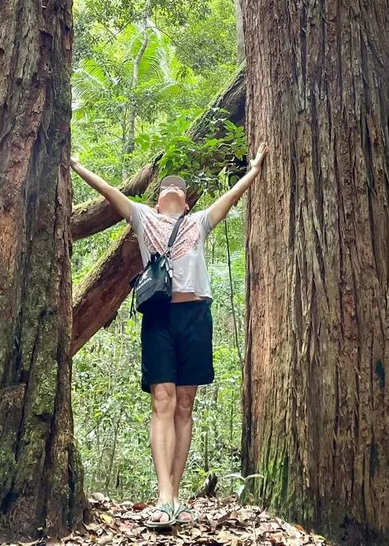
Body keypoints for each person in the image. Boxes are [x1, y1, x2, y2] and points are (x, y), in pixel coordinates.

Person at [70, 145, 268, 528]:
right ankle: (164, 498)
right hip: (160, 315)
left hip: (196, 314)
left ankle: (175, 495)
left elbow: (231, 197)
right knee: (163, 398)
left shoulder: (199, 223)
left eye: (178, 189)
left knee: (184, 404)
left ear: (187, 202)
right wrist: (79, 167)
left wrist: (254, 170)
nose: (171, 191)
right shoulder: (144, 219)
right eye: (165, 190)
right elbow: (111, 194)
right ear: (158, 202)